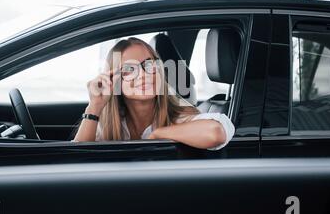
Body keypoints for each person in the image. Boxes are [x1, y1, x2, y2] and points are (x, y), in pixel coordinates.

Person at [74, 37, 234, 150]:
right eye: (129, 69)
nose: (143, 74)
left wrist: (158, 134)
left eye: (149, 64)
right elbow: (75, 162)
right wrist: (94, 107)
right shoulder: (112, 124)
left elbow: (215, 133)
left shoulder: (179, 117)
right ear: (115, 81)